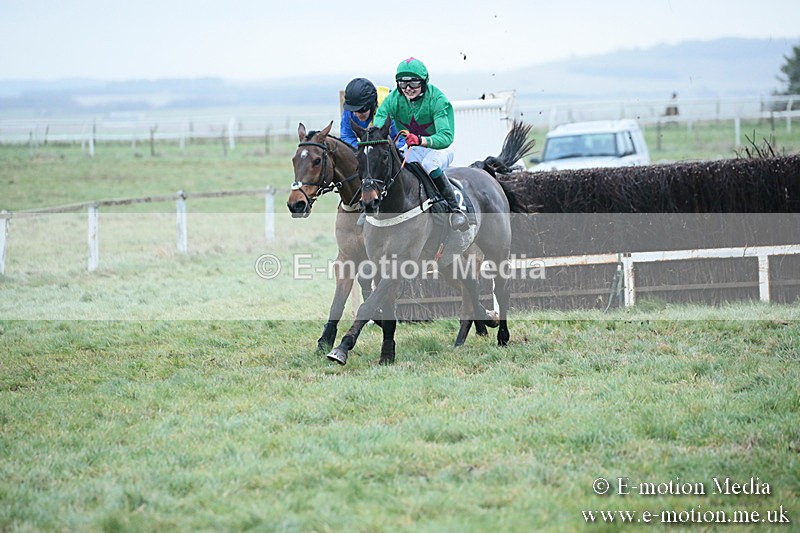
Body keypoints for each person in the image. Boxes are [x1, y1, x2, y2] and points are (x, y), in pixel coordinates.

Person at [373, 57, 468, 231]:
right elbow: (379, 121)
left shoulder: (438, 100)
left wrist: (421, 140)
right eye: (403, 84)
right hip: (413, 148)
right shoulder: (394, 99)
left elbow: (446, 137)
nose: (408, 88)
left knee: (428, 165)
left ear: (424, 82)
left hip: (439, 148)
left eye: (414, 83)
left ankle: (455, 210)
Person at [340, 77, 399, 150]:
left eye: (361, 111)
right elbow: (347, 136)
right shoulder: (350, 108)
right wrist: (361, 150)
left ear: (372, 106)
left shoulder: (390, 107)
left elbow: (400, 139)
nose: (357, 114)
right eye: (354, 110)